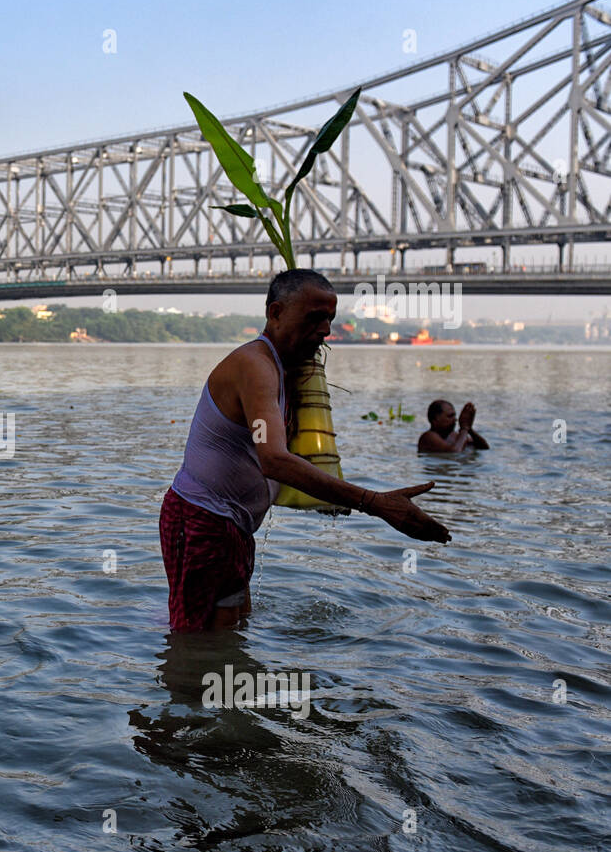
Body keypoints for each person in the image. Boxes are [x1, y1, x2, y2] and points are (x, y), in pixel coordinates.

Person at [160, 269, 451, 633]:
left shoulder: (282, 371)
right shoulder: (256, 367)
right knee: (195, 643)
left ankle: (231, 690)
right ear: (276, 313)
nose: (326, 330)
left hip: (233, 528)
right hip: (202, 520)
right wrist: (373, 502)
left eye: (330, 318)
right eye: (315, 318)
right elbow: (274, 459)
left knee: (230, 634)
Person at [418, 399, 489, 452]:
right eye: (450, 416)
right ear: (435, 420)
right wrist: (464, 428)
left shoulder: (454, 436)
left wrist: (470, 429)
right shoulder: (428, 437)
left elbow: (484, 448)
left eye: (454, 416)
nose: (455, 420)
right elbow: (455, 452)